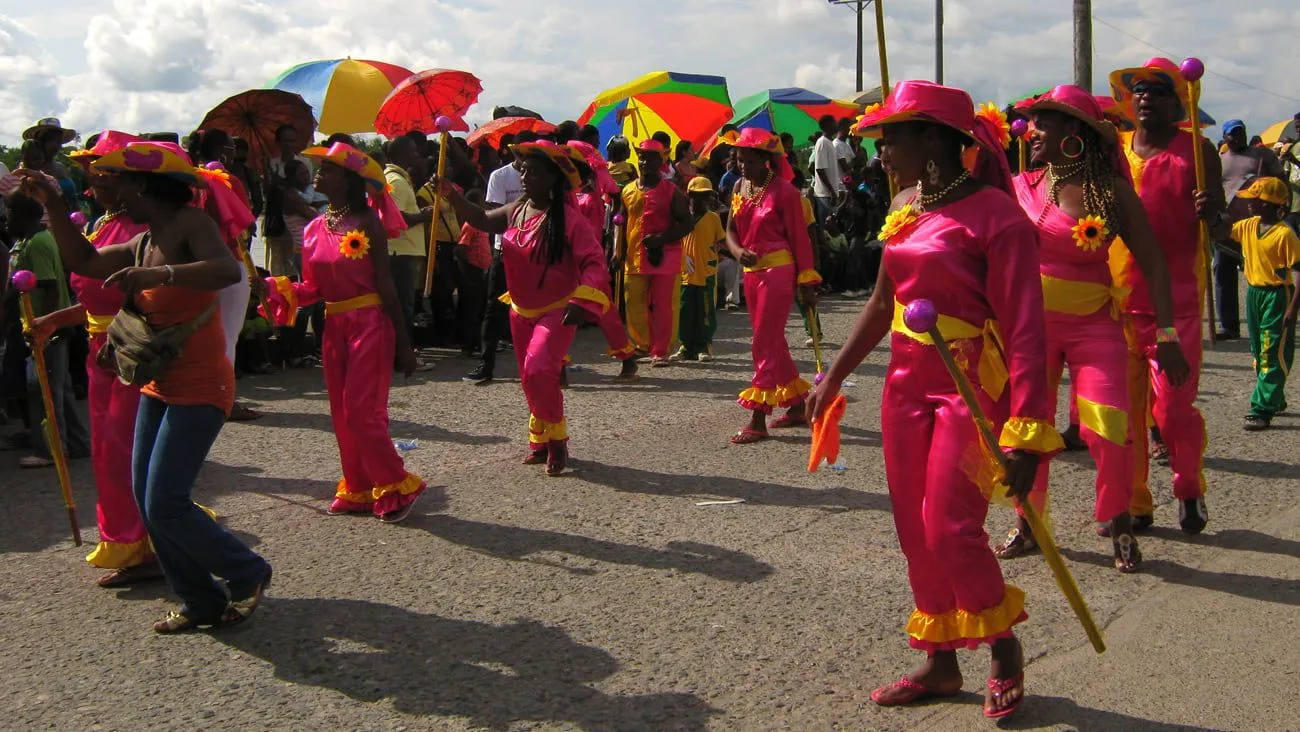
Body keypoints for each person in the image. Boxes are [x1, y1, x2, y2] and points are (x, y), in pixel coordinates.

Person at [805, 81, 1063, 720]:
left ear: (934, 139)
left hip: (971, 384)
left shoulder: (998, 216)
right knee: (914, 531)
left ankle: (1003, 648)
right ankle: (942, 661)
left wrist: (1027, 430)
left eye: (891, 136)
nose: (881, 148)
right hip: (905, 383)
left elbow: (1027, 330)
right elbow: (882, 301)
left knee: (951, 527)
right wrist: (832, 376)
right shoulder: (906, 205)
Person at [16, 143, 271, 633]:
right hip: (158, 383)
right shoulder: (143, 238)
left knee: (164, 501)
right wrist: (50, 203)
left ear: (143, 185)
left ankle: (246, 569)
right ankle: (201, 601)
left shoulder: (189, 225)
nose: (101, 191)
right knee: (147, 498)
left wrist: (161, 272)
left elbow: (228, 270)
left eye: (115, 181)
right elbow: (85, 261)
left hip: (200, 383)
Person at [998, 86, 1190, 572]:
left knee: (1109, 427)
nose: (1033, 130)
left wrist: (1167, 337)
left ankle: (1120, 524)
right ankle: (1029, 525)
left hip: (1094, 329)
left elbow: (1154, 263)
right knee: (1027, 428)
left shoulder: (1109, 191)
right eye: (1033, 121)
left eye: (1045, 122)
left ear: (1074, 133)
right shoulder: (1021, 184)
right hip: (1030, 332)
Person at [22, 131, 162, 583]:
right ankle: (130, 541)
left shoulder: (142, 230)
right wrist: (55, 322)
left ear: (127, 182)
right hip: (101, 350)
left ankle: (148, 544)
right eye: (89, 178)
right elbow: (95, 301)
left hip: (131, 350)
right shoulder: (100, 226)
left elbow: (149, 301)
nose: (90, 187)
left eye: (100, 178)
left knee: (127, 451)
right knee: (107, 451)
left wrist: (120, 339)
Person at [260, 143, 426, 522]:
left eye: (328, 169)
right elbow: (312, 288)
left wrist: (404, 344)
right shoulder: (317, 227)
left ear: (350, 180)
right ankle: (360, 487)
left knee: (360, 413)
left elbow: (386, 286)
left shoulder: (368, 223)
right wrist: (273, 287)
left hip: (370, 324)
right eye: (320, 167)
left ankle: (398, 484)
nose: (318, 172)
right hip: (333, 327)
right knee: (341, 413)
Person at [434, 141, 613, 475]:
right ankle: (540, 438)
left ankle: (557, 438)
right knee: (529, 379)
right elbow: (482, 219)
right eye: (523, 170)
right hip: (520, 310)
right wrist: (452, 195)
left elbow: (593, 262)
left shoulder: (570, 220)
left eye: (532, 171)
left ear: (552, 178)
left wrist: (581, 299)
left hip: (558, 309)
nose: (524, 176)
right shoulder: (517, 209)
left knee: (538, 369)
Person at [1108, 57, 1223, 533]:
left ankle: (1188, 484)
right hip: (1116, 302)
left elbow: (1221, 224)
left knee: (1171, 412)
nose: (1144, 96)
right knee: (1125, 417)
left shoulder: (1197, 151)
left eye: (1157, 89)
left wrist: (1212, 209)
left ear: (1180, 101)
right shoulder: (1114, 151)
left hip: (1175, 305)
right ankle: (1136, 501)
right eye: (1137, 89)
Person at [725, 129, 821, 444]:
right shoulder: (739, 187)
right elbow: (730, 231)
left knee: (763, 341)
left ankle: (757, 418)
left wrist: (807, 279)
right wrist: (738, 252)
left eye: (749, 161)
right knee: (772, 340)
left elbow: (800, 238)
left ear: (767, 161)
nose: (743, 166)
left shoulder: (785, 192)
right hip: (752, 272)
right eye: (740, 160)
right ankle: (796, 406)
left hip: (779, 271)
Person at [3, 192, 91, 469]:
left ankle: (51, 449)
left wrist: (47, 327)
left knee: (43, 390)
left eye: (10, 216)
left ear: (22, 216)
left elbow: (50, 287)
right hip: (40, 326)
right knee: (58, 387)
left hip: (46, 328)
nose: (6, 222)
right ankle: (76, 442)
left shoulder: (39, 243)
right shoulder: (27, 242)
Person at [187, 130, 260, 422]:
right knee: (227, 336)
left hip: (195, 265)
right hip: (228, 260)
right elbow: (244, 222)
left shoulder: (187, 179)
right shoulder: (225, 180)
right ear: (222, 151)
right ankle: (224, 398)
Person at [1222, 177, 1300, 430]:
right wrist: (1210, 214)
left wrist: (1293, 307)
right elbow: (1221, 232)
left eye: (1253, 199)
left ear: (1267, 204)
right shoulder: (1248, 226)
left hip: (1277, 296)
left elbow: (1298, 270)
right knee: (1258, 352)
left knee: (1271, 351)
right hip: (1254, 294)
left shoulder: (1285, 234)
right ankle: (1275, 398)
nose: (1248, 203)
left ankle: (1262, 409)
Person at [616, 139, 694, 366]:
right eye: (641, 157)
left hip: (666, 257)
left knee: (663, 304)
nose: (644, 162)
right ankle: (642, 345)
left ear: (661, 162)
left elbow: (687, 223)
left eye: (650, 158)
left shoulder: (672, 191)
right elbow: (621, 219)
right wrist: (616, 249)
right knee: (633, 302)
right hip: (634, 256)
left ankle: (660, 350)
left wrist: (662, 238)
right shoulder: (628, 190)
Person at [463, 131, 531, 385]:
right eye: (519, 150)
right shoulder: (500, 177)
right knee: (494, 306)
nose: (523, 156)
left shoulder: (546, 175)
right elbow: (492, 214)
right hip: (506, 250)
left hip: (534, 251)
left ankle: (549, 365)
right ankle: (486, 363)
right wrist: (524, 202)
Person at [568, 141, 639, 380]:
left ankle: (627, 358)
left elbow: (592, 230)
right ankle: (555, 365)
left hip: (589, 259)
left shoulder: (590, 195)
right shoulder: (567, 193)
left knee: (604, 309)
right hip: (568, 259)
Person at [1216, 120, 1283, 340]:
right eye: (1233, 134)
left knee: (1263, 275)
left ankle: (1269, 321)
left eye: (1241, 132)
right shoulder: (1220, 161)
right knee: (1223, 272)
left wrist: (1281, 209)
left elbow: (1280, 182)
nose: (1237, 137)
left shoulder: (1264, 156)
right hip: (1228, 227)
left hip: (1258, 226)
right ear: (1225, 137)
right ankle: (1229, 326)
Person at [382, 137, 434, 343]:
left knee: (403, 304)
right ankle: (404, 352)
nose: (416, 155)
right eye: (412, 151)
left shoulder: (399, 179)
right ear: (401, 155)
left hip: (403, 251)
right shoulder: (396, 181)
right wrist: (423, 215)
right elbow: (394, 218)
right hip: (400, 252)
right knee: (404, 305)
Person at [677, 176, 725, 362]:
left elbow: (720, 241)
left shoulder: (713, 218)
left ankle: (703, 345)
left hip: (706, 272)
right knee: (685, 310)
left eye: (706, 197)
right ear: (689, 196)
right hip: (686, 273)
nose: (703, 201)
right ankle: (686, 346)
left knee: (705, 311)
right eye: (698, 196)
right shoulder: (682, 218)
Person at [810, 116, 845, 229]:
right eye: (833, 122)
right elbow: (820, 169)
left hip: (830, 194)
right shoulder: (822, 142)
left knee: (833, 227)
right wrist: (832, 192)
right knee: (826, 228)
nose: (836, 125)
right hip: (825, 195)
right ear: (826, 126)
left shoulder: (829, 142)